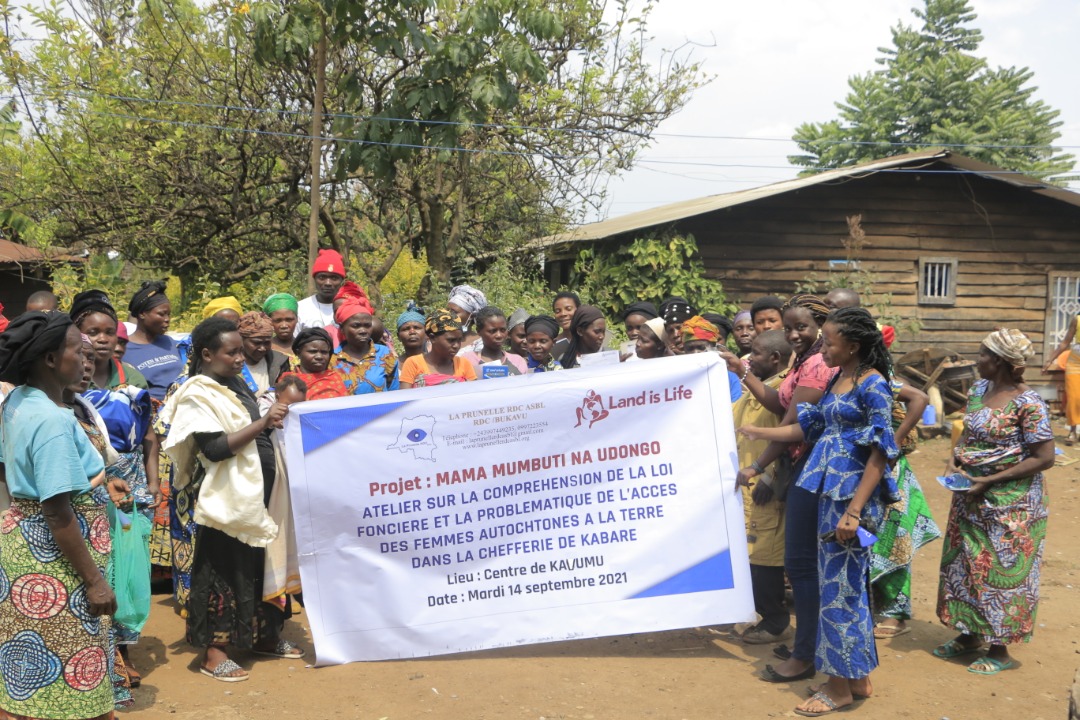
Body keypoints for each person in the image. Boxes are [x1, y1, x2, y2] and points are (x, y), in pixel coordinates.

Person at [740, 307, 899, 716]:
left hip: (846, 496)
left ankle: (837, 688)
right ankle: (857, 677)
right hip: (817, 485)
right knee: (836, 584)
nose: (822, 347)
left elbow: (881, 451)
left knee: (839, 589)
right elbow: (810, 429)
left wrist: (855, 511)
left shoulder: (873, 385)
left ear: (854, 345)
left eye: (829, 341)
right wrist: (760, 433)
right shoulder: (836, 379)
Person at [159, 317, 302, 683]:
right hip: (226, 500)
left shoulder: (234, 383)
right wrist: (265, 422)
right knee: (222, 571)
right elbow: (216, 448)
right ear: (207, 354)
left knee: (260, 564)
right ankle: (214, 652)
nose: (241, 358)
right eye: (232, 351)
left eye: (242, 350)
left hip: (257, 494)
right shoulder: (197, 393)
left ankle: (264, 636)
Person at [0, 311, 119, 720]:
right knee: (71, 675)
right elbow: (57, 512)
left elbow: (7, 468)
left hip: (24, 553)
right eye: (76, 350)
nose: (86, 360)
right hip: (57, 568)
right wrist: (95, 581)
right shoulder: (51, 420)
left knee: (28, 681)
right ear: (51, 359)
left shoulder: (18, 401)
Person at [729, 293, 836, 684]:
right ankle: (805, 646)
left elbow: (797, 425)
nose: (792, 334)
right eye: (788, 327)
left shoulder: (820, 368)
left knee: (805, 568)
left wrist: (760, 460)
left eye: (800, 327)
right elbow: (783, 407)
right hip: (799, 469)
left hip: (813, 471)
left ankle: (805, 651)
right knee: (802, 566)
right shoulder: (806, 364)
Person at [934, 328, 1054, 676]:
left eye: (983, 354)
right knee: (966, 566)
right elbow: (967, 434)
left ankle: (999, 648)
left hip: (1012, 506)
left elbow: (1044, 456)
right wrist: (954, 459)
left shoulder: (1029, 403)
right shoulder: (978, 390)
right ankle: (968, 635)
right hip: (969, 496)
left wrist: (989, 480)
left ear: (1000, 361)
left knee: (1002, 572)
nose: (977, 360)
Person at [731, 329, 793, 645]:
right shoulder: (756, 386)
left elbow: (788, 427)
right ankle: (759, 613)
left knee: (766, 554)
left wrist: (767, 475)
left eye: (754, 353)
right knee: (752, 552)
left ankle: (775, 620)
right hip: (748, 482)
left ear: (775, 358)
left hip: (767, 483)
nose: (748, 358)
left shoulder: (783, 388)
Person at [871, 380, 941, 639]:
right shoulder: (837, 376)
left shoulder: (885, 379)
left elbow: (919, 399)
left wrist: (894, 441)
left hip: (889, 473)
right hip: (852, 472)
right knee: (863, 540)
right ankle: (868, 605)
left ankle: (895, 614)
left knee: (892, 542)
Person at [123, 280, 184, 403]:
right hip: (156, 414)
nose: (167, 319)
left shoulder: (168, 342)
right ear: (142, 314)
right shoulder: (124, 349)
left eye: (168, 314)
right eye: (161, 314)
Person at [333, 294, 399, 394]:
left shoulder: (385, 354)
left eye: (367, 326)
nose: (363, 331)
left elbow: (394, 392)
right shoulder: (332, 359)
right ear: (342, 328)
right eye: (356, 326)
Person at [400, 309, 477, 388]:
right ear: (432, 338)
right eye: (451, 340)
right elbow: (405, 397)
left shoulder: (463, 364)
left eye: (459, 340)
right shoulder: (413, 363)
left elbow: (474, 395)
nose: (456, 345)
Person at [681, 316, 742, 402]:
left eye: (701, 347)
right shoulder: (679, 377)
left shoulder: (729, 377)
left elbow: (735, 409)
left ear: (713, 348)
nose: (696, 352)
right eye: (690, 349)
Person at [459, 306, 528, 378]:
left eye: (502, 330)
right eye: (492, 331)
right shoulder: (467, 360)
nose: (499, 335)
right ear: (479, 331)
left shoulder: (517, 361)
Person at [281, 328, 348, 400]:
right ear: (298, 353)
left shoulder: (334, 378)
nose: (319, 357)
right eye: (313, 352)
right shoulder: (288, 381)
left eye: (324, 352)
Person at [1043, 314, 1080, 445]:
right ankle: (1073, 431)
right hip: (1076, 362)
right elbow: (1065, 343)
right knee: (1074, 397)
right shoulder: (1077, 319)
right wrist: (1049, 361)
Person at [824, 288, 896, 348]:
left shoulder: (872, 333)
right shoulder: (817, 328)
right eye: (822, 304)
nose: (822, 308)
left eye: (831, 307)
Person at [237, 311, 288, 396]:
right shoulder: (230, 364)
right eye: (256, 343)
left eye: (267, 343)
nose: (262, 348)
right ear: (242, 340)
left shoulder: (280, 362)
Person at [296, 249, 346, 332]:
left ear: (342, 280)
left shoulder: (351, 308)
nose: (328, 283)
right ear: (314, 279)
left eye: (334, 278)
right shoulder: (300, 309)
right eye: (322, 277)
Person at [560, 305, 607, 370]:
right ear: (580, 331)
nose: (602, 336)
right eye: (597, 332)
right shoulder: (564, 361)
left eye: (603, 332)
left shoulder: (610, 356)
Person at [263, 293, 299, 360]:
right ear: (269, 321)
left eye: (289, 320)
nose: (284, 326)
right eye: (278, 320)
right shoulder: (264, 348)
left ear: (297, 319)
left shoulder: (304, 347)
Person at [551, 291, 580, 360]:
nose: (563, 314)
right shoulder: (554, 344)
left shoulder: (589, 338)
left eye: (568, 309)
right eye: (558, 311)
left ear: (579, 310)